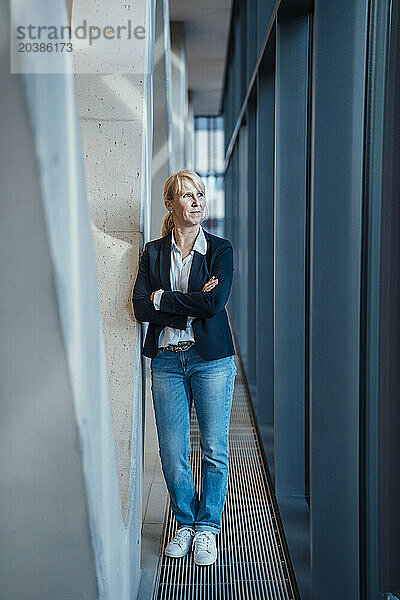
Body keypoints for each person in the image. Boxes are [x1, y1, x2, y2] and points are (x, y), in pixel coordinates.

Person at [132, 170, 237, 566]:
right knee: (172, 451)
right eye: (186, 196)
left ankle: (208, 528)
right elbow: (141, 305)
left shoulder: (220, 250)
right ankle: (186, 524)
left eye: (199, 195)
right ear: (170, 205)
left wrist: (165, 299)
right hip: (166, 361)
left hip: (210, 360)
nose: (196, 202)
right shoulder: (153, 252)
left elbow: (213, 304)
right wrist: (183, 299)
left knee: (213, 448)